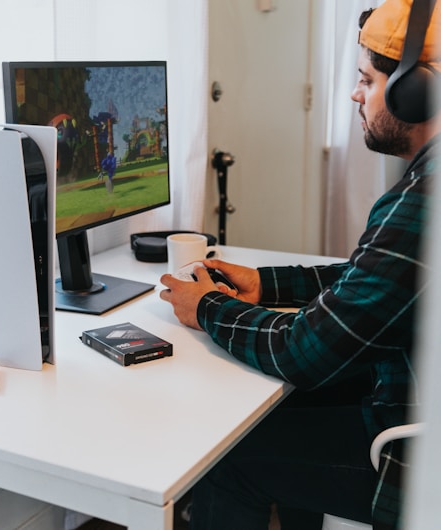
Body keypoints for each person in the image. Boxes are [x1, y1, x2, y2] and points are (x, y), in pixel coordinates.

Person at [159, 1, 440, 529]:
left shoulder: (426, 200)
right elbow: (374, 281)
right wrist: (267, 284)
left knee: (230, 458)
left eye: (365, 79)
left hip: (420, 456)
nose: (355, 94)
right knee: (285, 413)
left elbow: (303, 353)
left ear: (413, 92)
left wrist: (209, 307)